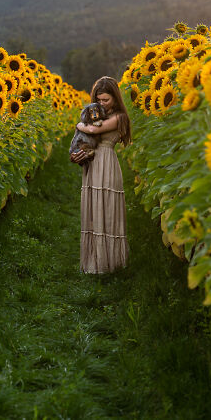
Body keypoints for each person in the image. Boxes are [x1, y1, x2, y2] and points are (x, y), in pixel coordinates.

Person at [70, 76, 132, 274]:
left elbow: (90, 129)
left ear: (115, 97)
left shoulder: (119, 117)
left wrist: (79, 126)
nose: (102, 103)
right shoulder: (97, 113)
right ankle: (94, 262)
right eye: (99, 100)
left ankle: (110, 263)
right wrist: (76, 154)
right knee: (93, 209)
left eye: (106, 100)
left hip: (106, 164)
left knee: (108, 209)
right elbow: (86, 137)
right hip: (92, 164)